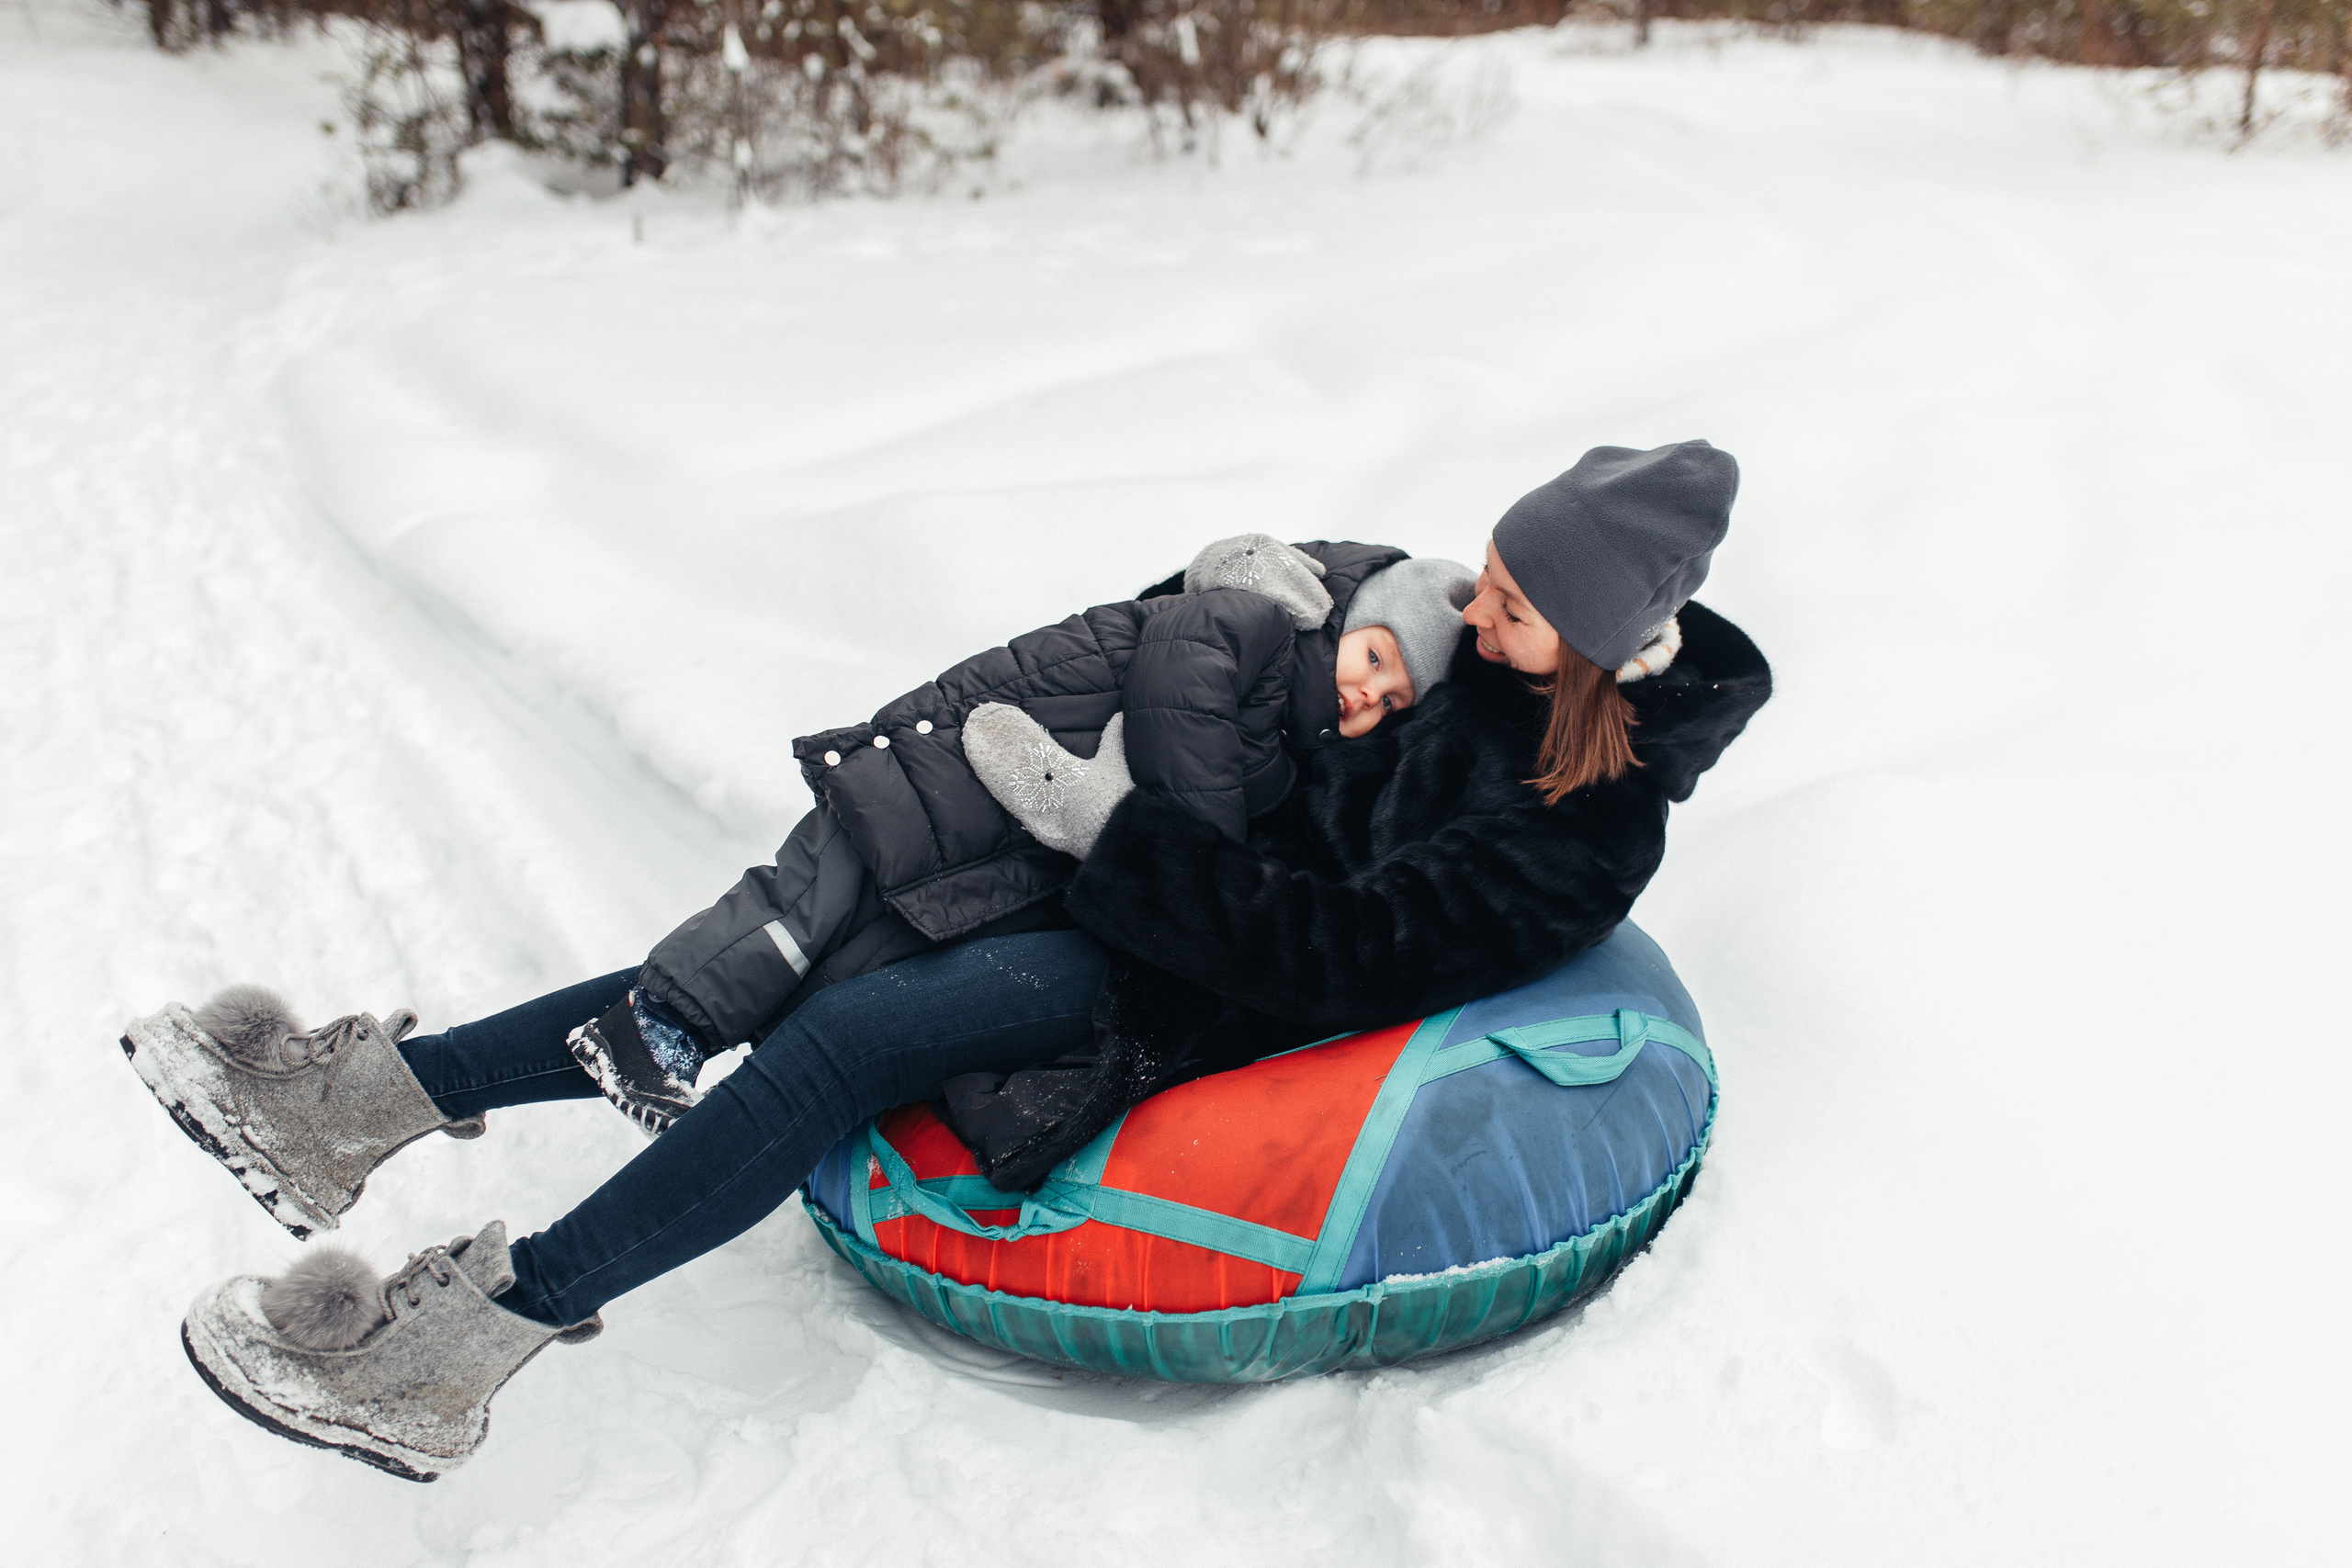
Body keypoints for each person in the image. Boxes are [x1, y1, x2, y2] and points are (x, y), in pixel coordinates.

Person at [122, 439, 1770, 1483]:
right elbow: (1226, 614)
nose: (1478, 609)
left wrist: (1119, 840)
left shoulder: (1586, 826)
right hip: (1113, 861)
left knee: (846, 1040)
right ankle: (348, 1109)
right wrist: (1224, 609)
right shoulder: (1454, 622)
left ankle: (460, 1351)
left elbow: (1339, 959)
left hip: (1187, 986)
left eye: (1516, 607)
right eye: (1486, 577)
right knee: (769, 957)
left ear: (1607, 640)